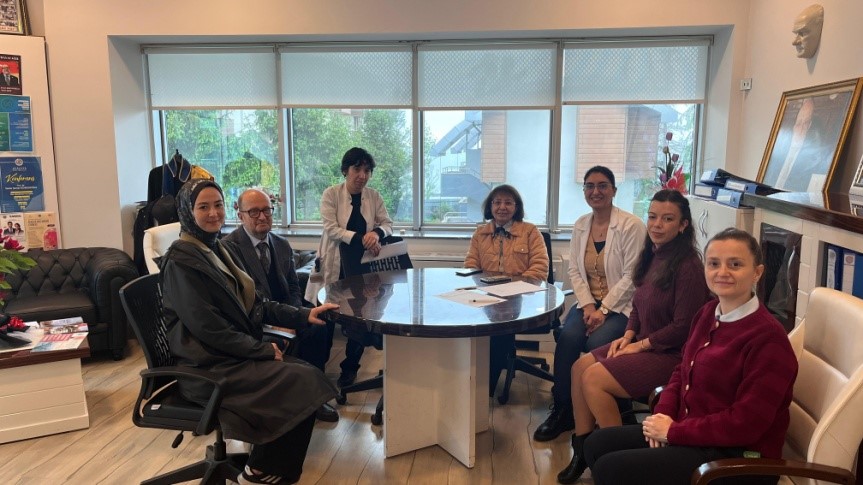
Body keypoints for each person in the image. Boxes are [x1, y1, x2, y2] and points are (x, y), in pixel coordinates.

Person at [584, 228, 799, 485]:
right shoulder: (708, 312)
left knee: (612, 468)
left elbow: (746, 424)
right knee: (596, 445)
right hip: (692, 433)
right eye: (714, 263)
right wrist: (662, 416)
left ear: (757, 272)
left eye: (735, 264)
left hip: (737, 458)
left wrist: (673, 432)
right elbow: (681, 371)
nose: (722, 272)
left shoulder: (768, 339)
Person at [160, 179, 339, 485]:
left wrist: (303, 314)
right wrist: (261, 349)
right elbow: (208, 328)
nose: (213, 213)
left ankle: (266, 468)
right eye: (203, 207)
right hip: (205, 365)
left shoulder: (214, 249)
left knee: (306, 378)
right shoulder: (182, 261)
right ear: (188, 212)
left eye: (217, 205)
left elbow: (258, 304)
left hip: (226, 354)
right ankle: (259, 472)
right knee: (304, 381)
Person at [557, 189, 711, 484]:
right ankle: (583, 451)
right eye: (652, 217)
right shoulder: (653, 253)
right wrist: (628, 335)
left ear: (683, 225)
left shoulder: (689, 266)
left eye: (667, 219)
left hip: (671, 355)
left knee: (593, 379)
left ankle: (616, 458)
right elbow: (639, 303)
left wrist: (639, 346)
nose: (657, 225)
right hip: (645, 344)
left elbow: (683, 327)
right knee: (578, 368)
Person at [534, 166, 646, 442]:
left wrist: (604, 310)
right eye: (590, 186)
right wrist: (588, 307)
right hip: (588, 305)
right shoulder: (581, 224)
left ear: (614, 190)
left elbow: (632, 276)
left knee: (597, 343)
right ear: (584, 191)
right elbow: (574, 270)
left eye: (602, 185)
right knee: (569, 338)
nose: (596, 191)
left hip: (622, 307)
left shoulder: (631, 225)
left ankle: (610, 408)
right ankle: (563, 410)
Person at [224, 188, 339, 423]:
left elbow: (294, 288)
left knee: (319, 327)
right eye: (254, 212)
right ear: (240, 215)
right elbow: (245, 300)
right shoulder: (229, 249)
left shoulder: (281, 244)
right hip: (254, 320)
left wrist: (294, 317)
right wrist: (280, 322)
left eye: (267, 210)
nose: (262, 216)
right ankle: (286, 403)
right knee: (284, 339)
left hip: (284, 313)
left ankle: (315, 397)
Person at [304, 147, 393, 388]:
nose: (362, 175)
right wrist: (362, 238)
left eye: (367, 170)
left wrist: (376, 233)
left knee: (359, 321)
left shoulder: (373, 196)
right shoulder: (331, 194)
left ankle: (350, 369)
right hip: (335, 266)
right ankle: (317, 373)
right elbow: (331, 228)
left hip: (362, 269)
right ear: (345, 170)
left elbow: (388, 224)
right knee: (325, 321)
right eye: (357, 169)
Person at [463, 184, 549, 395]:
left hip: (522, 300)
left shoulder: (530, 232)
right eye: (497, 202)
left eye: (508, 202)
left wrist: (513, 291)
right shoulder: (480, 233)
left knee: (498, 329)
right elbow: (471, 266)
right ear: (490, 206)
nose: (502, 207)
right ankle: (474, 380)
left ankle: (487, 388)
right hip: (487, 298)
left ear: (516, 207)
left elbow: (539, 269)